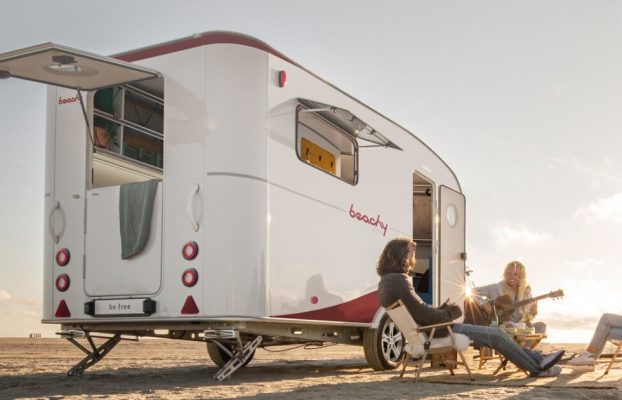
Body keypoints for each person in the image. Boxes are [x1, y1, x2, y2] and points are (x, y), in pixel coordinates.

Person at [376, 237, 564, 377]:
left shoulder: (387, 281)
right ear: (400, 256)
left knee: (498, 336)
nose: (413, 259)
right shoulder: (399, 281)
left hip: (429, 329)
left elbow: (418, 312)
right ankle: (537, 368)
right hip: (438, 330)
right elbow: (422, 312)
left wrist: (442, 308)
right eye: (411, 254)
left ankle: (538, 360)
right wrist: (450, 311)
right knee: (498, 335)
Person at [474, 261, 546, 336]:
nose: (512, 277)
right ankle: (517, 345)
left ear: (521, 276)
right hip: (501, 328)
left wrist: (532, 313)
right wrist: (483, 303)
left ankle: (520, 345)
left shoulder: (526, 293)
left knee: (541, 326)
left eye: (515, 274)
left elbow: (526, 318)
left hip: (519, 328)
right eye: (509, 273)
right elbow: (472, 292)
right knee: (509, 328)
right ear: (505, 274)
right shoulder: (496, 288)